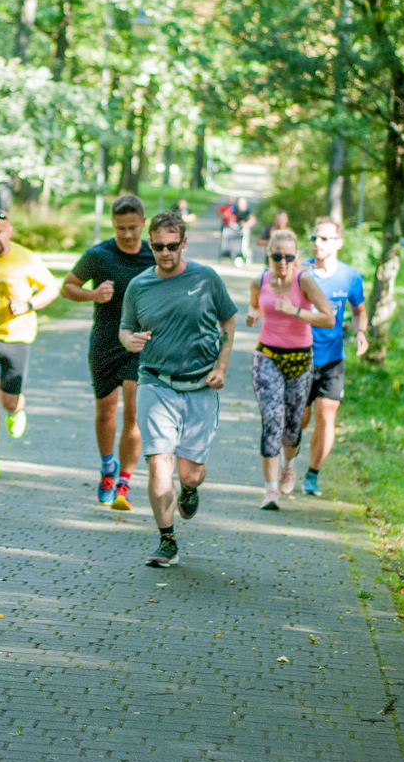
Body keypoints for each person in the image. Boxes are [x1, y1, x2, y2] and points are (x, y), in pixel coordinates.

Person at [118, 211, 238, 568]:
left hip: (200, 384)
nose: (165, 253)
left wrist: (221, 366)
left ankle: (189, 489)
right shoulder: (139, 286)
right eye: (158, 247)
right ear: (150, 245)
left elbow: (228, 319)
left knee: (190, 473)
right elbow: (125, 328)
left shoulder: (206, 278)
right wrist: (129, 340)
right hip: (155, 382)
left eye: (172, 246)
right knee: (159, 463)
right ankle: (166, 539)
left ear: (183, 243)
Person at [62, 195, 155, 510]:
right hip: (105, 341)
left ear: (143, 223)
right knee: (106, 412)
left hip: (140, 344)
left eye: (133, 227)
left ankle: (124, 483)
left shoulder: (155, 255)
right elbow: (68, 286)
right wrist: (92, 294)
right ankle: (107, 469)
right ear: (113, 225)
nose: (127, 234)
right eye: (120, 228)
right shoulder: (98, 256)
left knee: (133, 412)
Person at [246, 229, 334, 510]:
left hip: (300, 359)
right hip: (267, 356)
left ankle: (288, 464)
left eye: (288, 257)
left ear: (296, 257)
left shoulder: (303, 279)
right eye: (277, 257)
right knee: (272, 418)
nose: (282, 262)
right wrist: (253, 314)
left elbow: (328, 318)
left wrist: (294, 311)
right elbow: (255, 306)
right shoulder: (259, 280)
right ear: (269, 255)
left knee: (292, 427)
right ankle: (270, 490)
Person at [0, 210, 60, 479]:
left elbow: (51, 288)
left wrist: (28, 305)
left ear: (9, 231)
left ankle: (16, 410)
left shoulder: (26, 258)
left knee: (8, 401)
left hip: (17, 337)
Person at [299, 217, 368, 495]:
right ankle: (287, 460)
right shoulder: (301, 271)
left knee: (326, 416)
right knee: (300, 420)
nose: (317, 243)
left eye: (324, 238)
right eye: (314, 237)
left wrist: (361, 332)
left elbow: (359, 310)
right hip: (300, 356)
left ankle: (312, 475)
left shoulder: (350, 277)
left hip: (332, 357)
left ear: (338, 243)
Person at [233, 196, 256, 266]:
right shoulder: (235, 211)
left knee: (245, 241)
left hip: (245, 230)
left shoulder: (248, 211)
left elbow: (253, 220)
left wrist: (246, 225)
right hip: (236, 229)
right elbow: (231, 219)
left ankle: (246, 255)